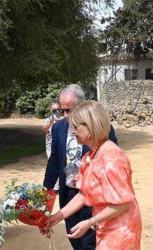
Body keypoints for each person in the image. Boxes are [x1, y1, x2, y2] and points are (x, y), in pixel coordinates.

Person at [46, 100, 142, 250]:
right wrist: (58, 216)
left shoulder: (112, 159)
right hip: (106, 227)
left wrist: (90, 222)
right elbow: (84, 195)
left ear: (90, 127)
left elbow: (123, 204)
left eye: (76, 127)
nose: (73, 131)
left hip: (120, 231)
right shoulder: (90, 156)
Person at [43, 84, 118, 250]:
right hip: (69, 193)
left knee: (89, 242)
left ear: (82, 107)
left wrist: (90, 178)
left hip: (94, 194)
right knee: (74, 237)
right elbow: (54, 161)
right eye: (61, 111)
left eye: (69, 110)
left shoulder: (104, 130)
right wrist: (46, 191)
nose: (65, 115)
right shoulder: (57, 128)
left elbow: (110, 164)